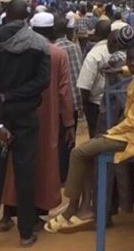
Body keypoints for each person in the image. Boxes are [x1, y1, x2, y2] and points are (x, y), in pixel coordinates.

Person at [44, 38, 134, 233]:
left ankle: (72, 208)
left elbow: (132, 122)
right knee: (88, 154)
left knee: (78, 152)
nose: (132, 63)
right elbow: (132, 70)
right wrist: (121, 70)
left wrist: (109, 133)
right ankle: (85, 207)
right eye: (129, 59)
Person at [0, 0, 51, 249]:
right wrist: (15, 95)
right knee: (25, 174)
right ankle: (26, 233)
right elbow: (43, 81)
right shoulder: (39, 44)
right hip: (26, 117)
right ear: (27, 17)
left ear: (5, 15)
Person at [0, 12, 75, 233]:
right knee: (43, 161)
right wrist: (68, 122)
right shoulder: (58, 54)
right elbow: (64, 91)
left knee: (13, 160)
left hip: (17, 112)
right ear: (53, 31)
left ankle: (7, 212)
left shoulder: (19, 49)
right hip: (47, 118)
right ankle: (33, 214)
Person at [53, 15, 83, 182]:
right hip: (75, 100)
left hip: (60, 101)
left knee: (58, 139)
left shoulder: (53, 50)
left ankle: (60, 175)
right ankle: (69, 174)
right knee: (70, 139)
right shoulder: (75, 47)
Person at [76, 19, 113, 138]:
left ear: (96, 35)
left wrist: (85, 107)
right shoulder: (117, 50)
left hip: (96, 105)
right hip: (115, 102)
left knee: (96, 138)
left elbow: (85, 85)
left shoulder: (93, 55)